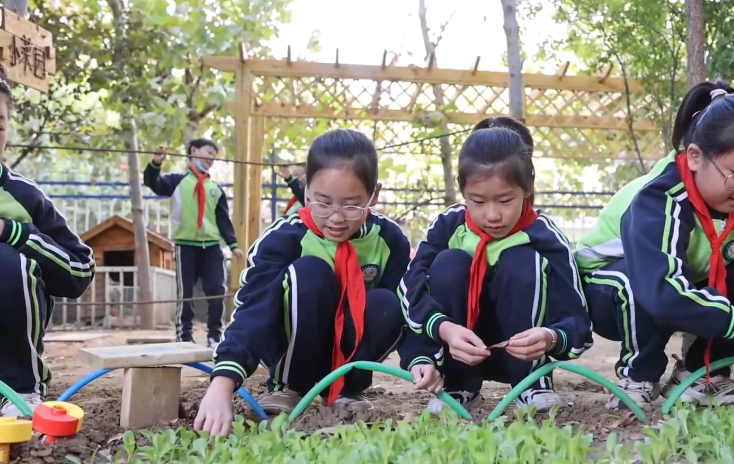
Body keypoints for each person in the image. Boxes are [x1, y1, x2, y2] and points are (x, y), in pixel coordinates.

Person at [575, 81, 734, 410]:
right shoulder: (658, 199)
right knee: (641, 280)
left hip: (685, 289)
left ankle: (702, 375)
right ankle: (638, 376)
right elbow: (662, 291)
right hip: (610, 294)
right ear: (694, 156)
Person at [195, 129, 410, 436]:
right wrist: (222, 384)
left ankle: (348, 389)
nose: (336, 218)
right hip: (294, 346)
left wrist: (425, 360)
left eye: (351, 205)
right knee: (310, 272)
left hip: (351, 354)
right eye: (322, 202)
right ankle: (289, 386)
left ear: (373, 195)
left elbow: (411, 307)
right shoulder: (285, 237)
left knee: (388, 302)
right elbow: (254, 309)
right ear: (306, 190)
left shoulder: (389, 240)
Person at [398, 127, 592, 414]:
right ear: (463, 191)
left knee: (524, 262)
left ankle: (530, 383)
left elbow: (578, 320)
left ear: (528, 188)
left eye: (505, 201)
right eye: (477, 201)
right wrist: (444, 329)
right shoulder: (449, 226)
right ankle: (457, 386)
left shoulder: (544, 235)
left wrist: (550, 337)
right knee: (449, 262)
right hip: (458, 348)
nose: (492, 215)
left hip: (520, 352)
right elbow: (409, 287)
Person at [0, 72, 95, 417]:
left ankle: (19, 391)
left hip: (8, 371)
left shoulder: (25, 197)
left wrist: (15, 233)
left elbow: (81, 270)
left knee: (10, 261)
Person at [144, 139, 244, 348]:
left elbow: (223, 219)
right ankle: (184, 336)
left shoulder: (215, 188)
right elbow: (154, 184)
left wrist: (233, 245)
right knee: (185, 293)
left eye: (214, 157)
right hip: (185, 246)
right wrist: (155, 163)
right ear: (194, 151)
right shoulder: (177, 181)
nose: (211, 159)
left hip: (211, 247)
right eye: (209, 153)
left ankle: (214, 335)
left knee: (217, 290)